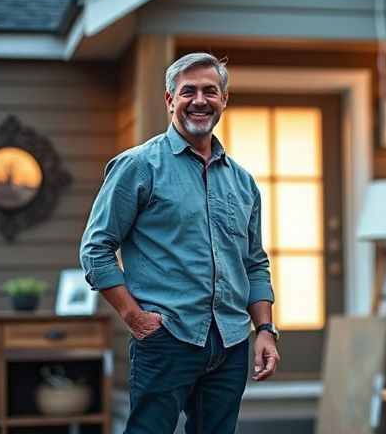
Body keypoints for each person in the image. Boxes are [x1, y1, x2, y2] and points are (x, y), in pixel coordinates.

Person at [79, 52, 280, 434]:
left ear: (224, 99)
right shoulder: (137, 166)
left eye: (210, 91)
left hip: (231, 341)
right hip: (168, 337)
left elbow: (254, 263)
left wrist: (265, 330)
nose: (200, 101)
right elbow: (95, 249)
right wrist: (134, 318)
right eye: (188, 92)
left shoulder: (243, 182)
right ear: (170, 100)